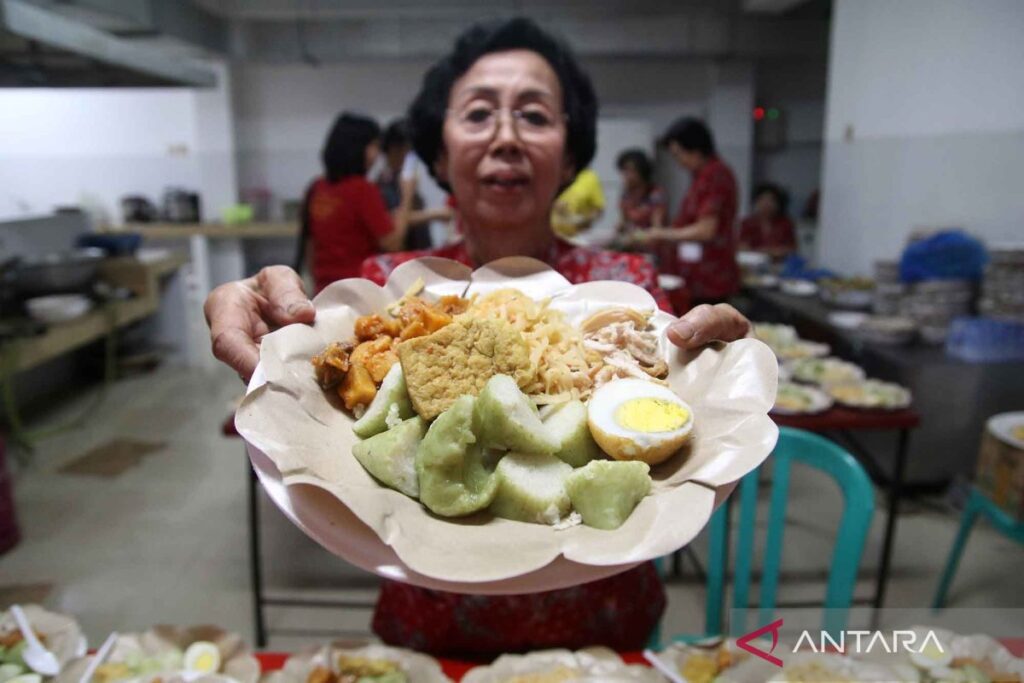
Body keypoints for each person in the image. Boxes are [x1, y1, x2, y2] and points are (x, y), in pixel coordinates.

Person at [205, 17, 751, 657]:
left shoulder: (624, 284)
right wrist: (278, 343)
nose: (506, 137)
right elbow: (324, 421)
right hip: (427, 618)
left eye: (535, 116)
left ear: (572, 153)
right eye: (478, 114)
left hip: (604, 621)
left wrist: (726, 375)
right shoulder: (388, 288)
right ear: (438, 152)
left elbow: (681, 425)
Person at [294, 113, 408, 294]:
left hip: (324, 292)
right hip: (360, 291)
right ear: (358, 147)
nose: (377, 154)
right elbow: (392, 244)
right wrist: (406, 195)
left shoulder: (317, 188)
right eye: (374, 146)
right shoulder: (362, 190)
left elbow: (310, 248)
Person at [631, 118, 740, 305]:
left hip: (710, 275)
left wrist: (661, 234)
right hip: (696, 273)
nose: (678, 162)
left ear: (696, 150)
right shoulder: (702, 176)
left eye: (678, 154)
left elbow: (706, 230)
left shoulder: (715, 175)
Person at [376, 119, 454, 251]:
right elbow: (393, 223)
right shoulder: (383, 186)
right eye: (408, 150)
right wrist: (435, 214)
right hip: (401, 260)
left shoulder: (403, 180)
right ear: (395, 149)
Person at [738, 183, 796, 259]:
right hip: (753, 264)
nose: (766, 204)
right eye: (762, 199)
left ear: (778, 204)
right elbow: (742, 247)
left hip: (779, 264)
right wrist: (768, 252)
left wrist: (769, 252)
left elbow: (791, 249)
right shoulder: (747, 223)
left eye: (771, 200)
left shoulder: (785, 224)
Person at [615, 148, 666, 234]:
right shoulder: (626, 194)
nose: (626, 176)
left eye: (631, 171)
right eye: (624, 171)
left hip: (652, 244)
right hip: (632, 242)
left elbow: (657, 229)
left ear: (642, 172)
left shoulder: (655, 194)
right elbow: (623, 221)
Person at [550, 167, 604, 238]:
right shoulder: (549, 173)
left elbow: (598, 210)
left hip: (576, 236)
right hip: (548, 236)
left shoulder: (589, 177)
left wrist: (584, 220)